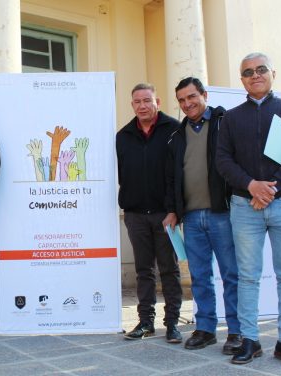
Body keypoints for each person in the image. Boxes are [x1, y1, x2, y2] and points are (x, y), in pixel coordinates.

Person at [216, 52, 281, 369]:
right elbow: (223, 161)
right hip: (246, 206)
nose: (254, 75)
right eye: (247, 72)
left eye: (261, 70)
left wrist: (270, 187)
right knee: (247, 276)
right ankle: (249, 340)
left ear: (272, 72)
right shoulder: (231, 118)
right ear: (241, 78)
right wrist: (251, 186)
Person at [166, 77, 241, 354]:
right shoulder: (176, 135)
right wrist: (173, 210)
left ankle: (236, 331)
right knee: (199, 276)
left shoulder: (224, 123)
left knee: (231, 274)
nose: (187, 104)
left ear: (204, 95)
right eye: (182, 100)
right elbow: (171, 178)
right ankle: (206, 329)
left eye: (192, 97)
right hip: (191, 218)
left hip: (223, 214)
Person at [116, 83, 183, 344]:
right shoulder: (123, 135)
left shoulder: (174, 130)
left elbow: (179, 174)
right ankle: (146, 322)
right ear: (132, 105)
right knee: (144, 270)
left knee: (169, 270)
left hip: (165, 215)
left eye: (147, 100)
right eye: (137, 102)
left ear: (158, 101)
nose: (142, 106)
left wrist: (175, 210)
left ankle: (173, 323)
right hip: (135, 215)